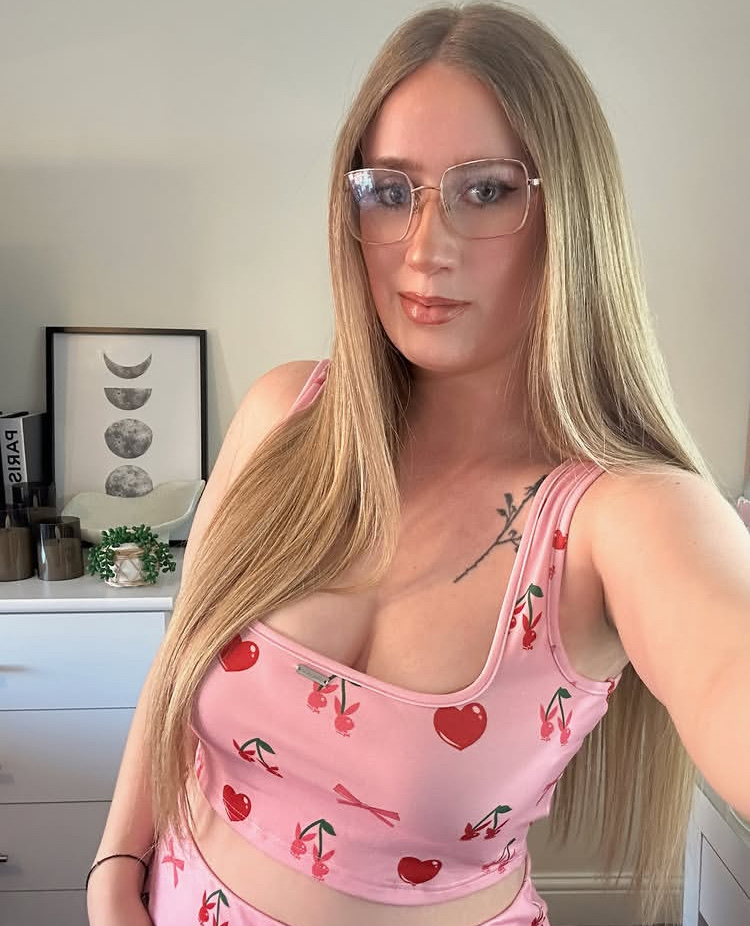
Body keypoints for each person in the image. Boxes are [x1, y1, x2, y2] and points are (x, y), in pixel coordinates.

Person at [86, 3, 750, 926]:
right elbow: (177, 659)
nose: (424, 250)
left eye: (487, 191)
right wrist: (116, 863)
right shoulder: (283, 417)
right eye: (390, 191)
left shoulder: (621, 516)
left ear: (573, 215)